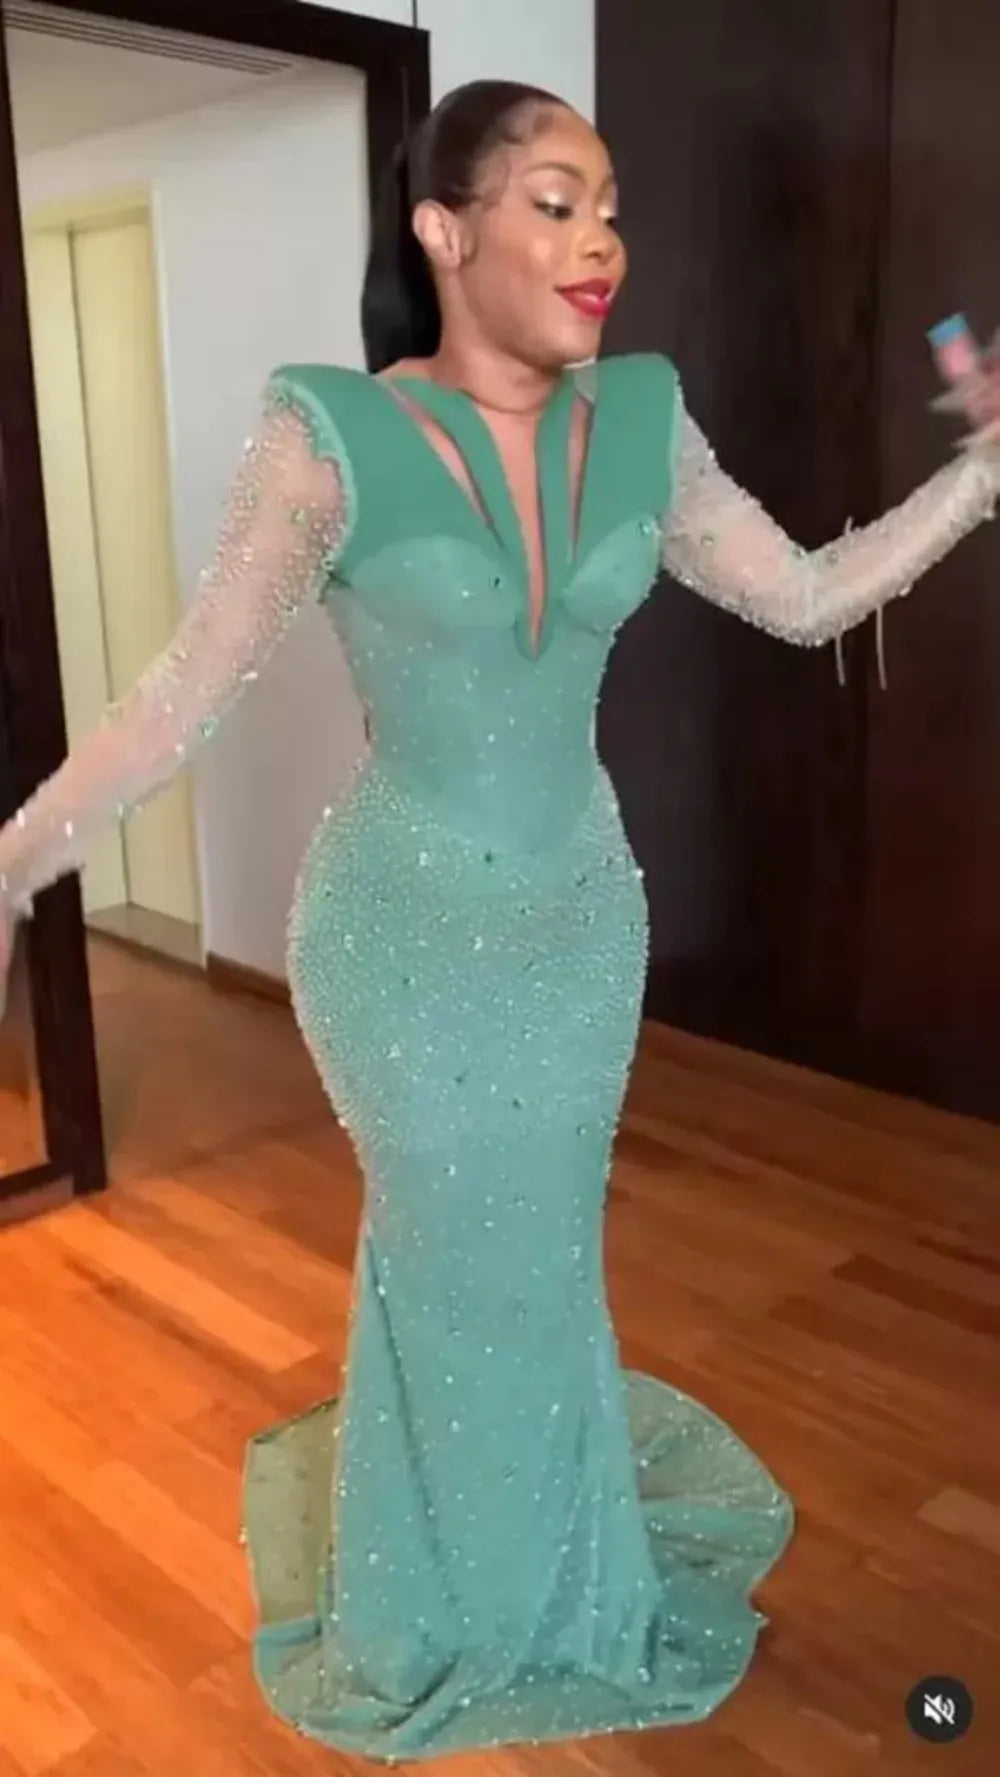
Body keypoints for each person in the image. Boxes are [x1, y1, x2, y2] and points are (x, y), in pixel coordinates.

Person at [0, 80, 998, 1765]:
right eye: (555, 200)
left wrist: (979, 477)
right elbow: (179, 699)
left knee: (540, 1261)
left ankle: (556, 1577)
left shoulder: (645, 421)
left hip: (579, 929)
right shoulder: (325, 438)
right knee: (452, 1252)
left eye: (610, 205)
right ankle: (437, 1598)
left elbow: (807, 595)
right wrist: (15, 858)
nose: (601, 238)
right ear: (444, 232)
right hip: (396, 946)